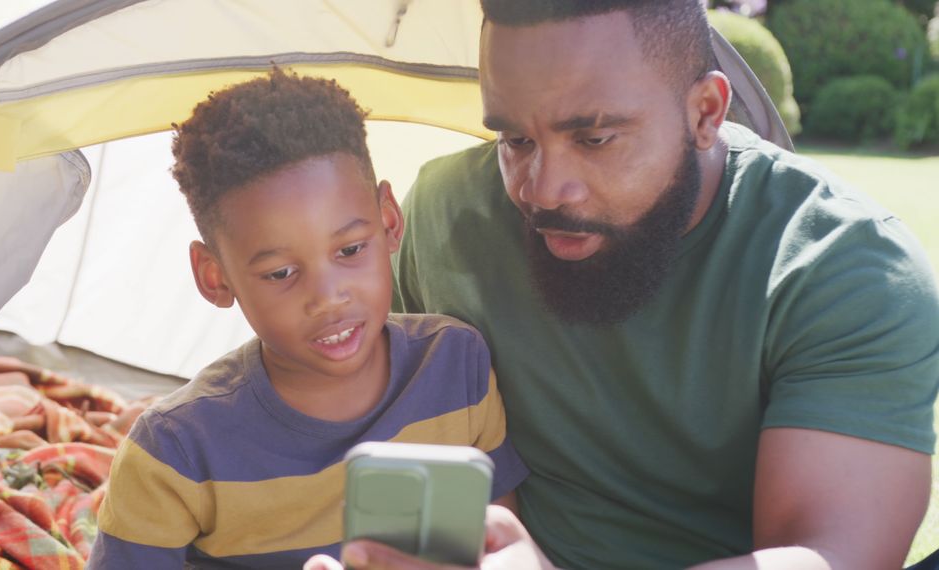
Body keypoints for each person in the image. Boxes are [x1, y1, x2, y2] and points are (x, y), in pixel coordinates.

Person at [306, 1, 939, 569]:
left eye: (595, 138)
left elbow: (826, 556)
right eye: (515, 138)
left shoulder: (843, 267)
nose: (543, 189)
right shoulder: (444, 214)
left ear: (705, 113)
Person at [87, 68, 527, 569]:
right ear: (215, 277)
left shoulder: (456, 367)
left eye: (351, 249)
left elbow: (498, 546)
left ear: (388, 222)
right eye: (280, 273)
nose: (328, 297)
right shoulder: (174, 451)